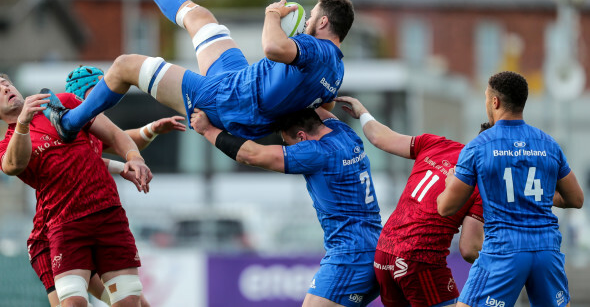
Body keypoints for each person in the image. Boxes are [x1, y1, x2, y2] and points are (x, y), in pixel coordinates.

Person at [42, 0, 354, 142]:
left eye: (312, 16)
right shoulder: (336, 72)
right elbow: (320, 113)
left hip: (231, 99)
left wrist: (272, 15)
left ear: (324, 23)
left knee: (125, 66)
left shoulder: (317, 48)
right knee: (200, 17)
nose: (309, 21)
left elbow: (273, 48)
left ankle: (69, 123)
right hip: (240, 84)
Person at [0, 68, 152, 307]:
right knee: (73, 303)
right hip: (64, 225)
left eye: (6, 83)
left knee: (130, 301)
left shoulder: (60, 104)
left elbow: (113, 136)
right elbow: (15, 164)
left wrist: (133, 158)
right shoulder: (4, 147)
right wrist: (23, 123)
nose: (6, 88)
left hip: (107, 213)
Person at [191, 107, 382, 307]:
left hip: (350, 255)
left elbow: (252, 155)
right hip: (375, 246)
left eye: (288, 144)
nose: (289, 149)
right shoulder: (345, 132)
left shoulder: (316, 152)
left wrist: (208, 131)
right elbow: (320, 107)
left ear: (301, 137)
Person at [28, 65, 186, 307]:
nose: (106, 97)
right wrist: (120, 166)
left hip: (86, 223)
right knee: (71, 304)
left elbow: (121, 138)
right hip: (51, 235)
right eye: (99, 90)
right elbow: (74, 163)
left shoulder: (91, 127)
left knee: (136, 302)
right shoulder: (63, 126)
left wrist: (152, 129)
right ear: (80, 96)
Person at [437, 71, 584, 307]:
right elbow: (576, 199)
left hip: (504, 250)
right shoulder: (548, 144)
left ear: (495, 101)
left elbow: (446, 207)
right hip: (546, 250)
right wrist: (538, 195)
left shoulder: (479, 146)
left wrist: (449, 183)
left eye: (486, 97)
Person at [336, 96, 485, 307]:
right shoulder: (481, 183)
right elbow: (469, 249)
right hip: (419, 260)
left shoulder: (437, 144)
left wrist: (362, 113)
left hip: (385, 253)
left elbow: (380, 138)